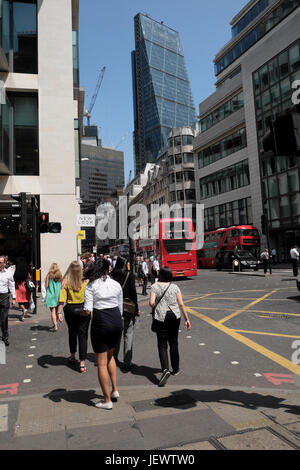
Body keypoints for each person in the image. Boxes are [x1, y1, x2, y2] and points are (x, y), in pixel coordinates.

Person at [82, 259, 123, 410]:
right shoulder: (116, 284)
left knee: (101, 363)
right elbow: (120, 306)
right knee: (111, 356)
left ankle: (107, 401)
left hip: (101, 321)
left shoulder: (91, 286)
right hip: (116, 320)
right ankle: (115, 390)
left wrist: (79, 312)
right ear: (107, 269)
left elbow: (87, 310)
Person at [149, 266, 191, 387]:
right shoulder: (175, 287)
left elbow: (151, 303)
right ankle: (176, 368)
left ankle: (165, 369)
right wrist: (187, 319)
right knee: (173, 342)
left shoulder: (154, 286)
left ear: (160, 275)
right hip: (174, 315)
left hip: (161, 316)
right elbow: (181, 304)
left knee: (162, 344)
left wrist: (158, 305)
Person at [57, 261, 90, 373]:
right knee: (83, 335)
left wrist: (59, 313)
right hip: (83, 309)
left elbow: (62, 300)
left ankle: (72, 356)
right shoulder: (85, 281)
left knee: (72, 333)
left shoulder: (66, 282)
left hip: (70, 309)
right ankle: (82, 363)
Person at [111, 257, 140, 372]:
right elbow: (133, 293)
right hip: (128, 308)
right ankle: (127, 362)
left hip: (114, 308)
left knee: (116, 334)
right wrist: (136, 308)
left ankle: (114, 357)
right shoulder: (129, 275)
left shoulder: (111, 275)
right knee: (128, 334)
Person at [0, 255, 16, 346]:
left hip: (5, 297)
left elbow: (12, 285)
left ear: (4, 263)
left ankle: (5, 337)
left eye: (1, 262)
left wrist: (14, 298)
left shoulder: (8, 273)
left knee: (4, 319)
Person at [44, 263, 63, 332]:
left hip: (50, 295)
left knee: (52, 311)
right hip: (58, 295)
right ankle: (55, 322)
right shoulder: (60, 275)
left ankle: (55, 325)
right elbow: (62, 286)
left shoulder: (49, 275)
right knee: (57, 311)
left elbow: (46, 286)